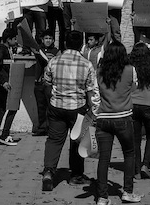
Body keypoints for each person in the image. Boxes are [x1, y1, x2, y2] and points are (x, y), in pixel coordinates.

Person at [41, 31, 100, 192]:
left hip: (56, 106)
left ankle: (48, 171)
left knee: (54, 140)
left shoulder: (54, 61)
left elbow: (46, 84)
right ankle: (76, 176)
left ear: (65, 43)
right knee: (76, 142)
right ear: (81, 44)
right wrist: (93, 111)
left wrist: (51, 101)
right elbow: (91, 91)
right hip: (78, 108)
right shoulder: (86, 64)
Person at [94, 41, 142, 204]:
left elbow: (95, 94)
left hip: (103, 118)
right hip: (124, 117)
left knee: (104, 158)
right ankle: (127, 192)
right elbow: (135, 87)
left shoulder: (99, 71)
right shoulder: (130, 70)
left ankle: (102, 196)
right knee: (129, 154)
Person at [129, 43, 150, 181]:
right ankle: (146, 164)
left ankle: (136, 171)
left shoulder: (130, 69)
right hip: (149, 105)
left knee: (135, 139)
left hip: (133, 105)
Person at [0, 28, 21, 146]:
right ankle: (3, 135)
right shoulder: (0, 51)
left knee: (2, 109)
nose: (16, 41)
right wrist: (3, 82)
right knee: (10, 108)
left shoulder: (7, 49)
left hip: (6, 83)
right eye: (15, 38)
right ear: (8, 39)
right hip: (4, 85)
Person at [29, 30, 58, 136]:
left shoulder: (56, 52)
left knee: (51, 107)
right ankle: (41, 128)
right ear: (42, 40)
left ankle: (51, 128)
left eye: (50, 38)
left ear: (53, 40)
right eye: (46, 38)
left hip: (50, 84)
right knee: (41, 107)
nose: (48, 40)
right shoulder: (38, 50)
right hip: (39, 82)